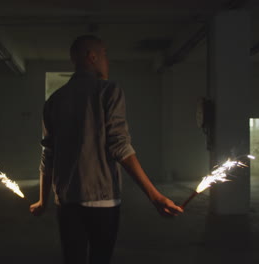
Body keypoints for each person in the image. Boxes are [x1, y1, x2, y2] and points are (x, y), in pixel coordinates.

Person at [29, 35, 183, 264]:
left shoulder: (54, 100)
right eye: (105, 55)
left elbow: (48, 153)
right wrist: (156, 196)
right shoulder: (108, 91)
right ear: (92, 57)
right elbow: (119, 146)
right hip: (103, 201)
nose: (106, 61)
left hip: (66, 200)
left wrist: (43, 200)